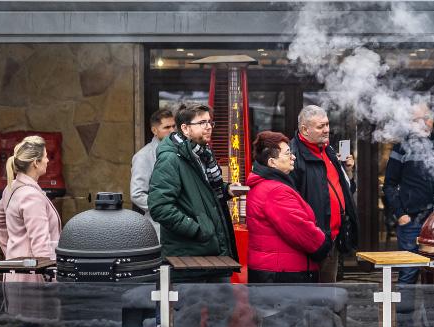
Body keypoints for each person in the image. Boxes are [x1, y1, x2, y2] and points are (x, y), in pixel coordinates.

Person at [148, 102, 238, 281]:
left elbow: (203, 193)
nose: (208, 127)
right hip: (187, 260)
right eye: (202, 123)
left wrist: (227, 190)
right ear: (185, 128)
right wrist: (198, 230)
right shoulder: (170, 159)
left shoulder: (203, 154)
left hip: (213, 255)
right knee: (190, 309)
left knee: (222, 307)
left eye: (210, 122)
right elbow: (159, 207)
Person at [246, 131, 332, 283]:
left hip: (274, 271)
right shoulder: (275, 191)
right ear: (272, 162)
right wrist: (323, 244)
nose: (293, 157)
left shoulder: (267, 185)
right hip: (283, 275)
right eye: (287, 154)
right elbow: (300, 229)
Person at [289, 105, 358, 283]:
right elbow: (291, 206)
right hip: (310, 243)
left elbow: (345, 191)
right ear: (304, 129)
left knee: (329, 296)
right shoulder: (293, 157)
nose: (327, 130)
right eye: (320, 126)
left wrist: (348, 172)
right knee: (311, 299)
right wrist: (313, 236)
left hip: (332, 240)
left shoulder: (329, 150)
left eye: (327, 124)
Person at [383, 103, 434, 284]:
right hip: (411, 222)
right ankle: (405, 313)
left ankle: (433, 313)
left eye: (427, 118)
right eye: (418, 120)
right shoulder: (401, 148)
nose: (425, 123)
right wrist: (401, 214)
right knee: (408, 274)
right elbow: (389, 185)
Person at [0, 135, 61, 260]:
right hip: (32, 274)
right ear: (35, 162)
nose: (47, 160)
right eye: (45, 156)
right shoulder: (31, 196)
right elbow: (41, 245)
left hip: (18, 269)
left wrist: (13, 250)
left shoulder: (11, 188)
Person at [130, 108, 176, 236]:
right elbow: (137, 194)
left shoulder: (179, 151)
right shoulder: (143, 156)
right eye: (166, 127)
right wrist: (164, 209)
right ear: (154, 130)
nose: (172, 130)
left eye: (173, 126)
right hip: (159, 227)